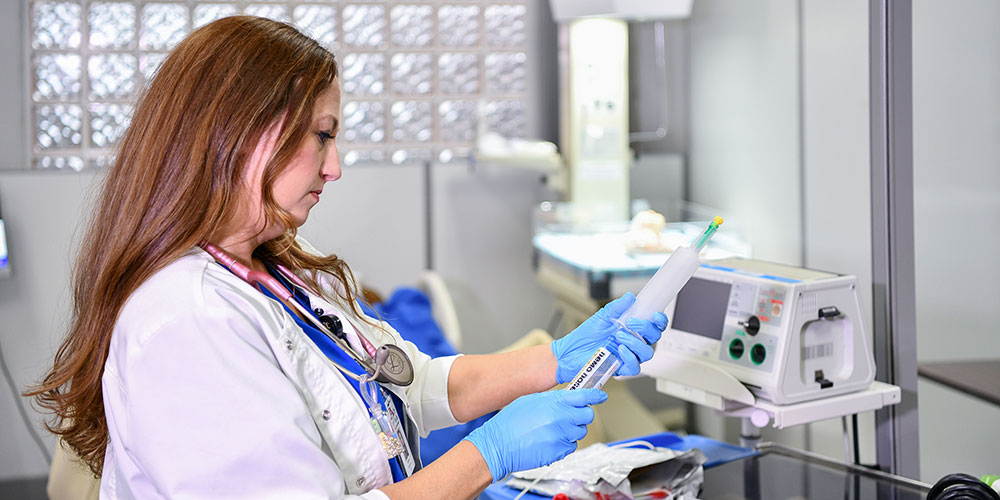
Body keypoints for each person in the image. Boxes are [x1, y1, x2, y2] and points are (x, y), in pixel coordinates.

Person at [26, 16, 668, 500]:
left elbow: (405, 386)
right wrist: (489, 455)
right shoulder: (187, 321)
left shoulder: (275, 271)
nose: (334, 168)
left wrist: (554, 361)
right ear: (243, 133)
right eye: (322, 136)